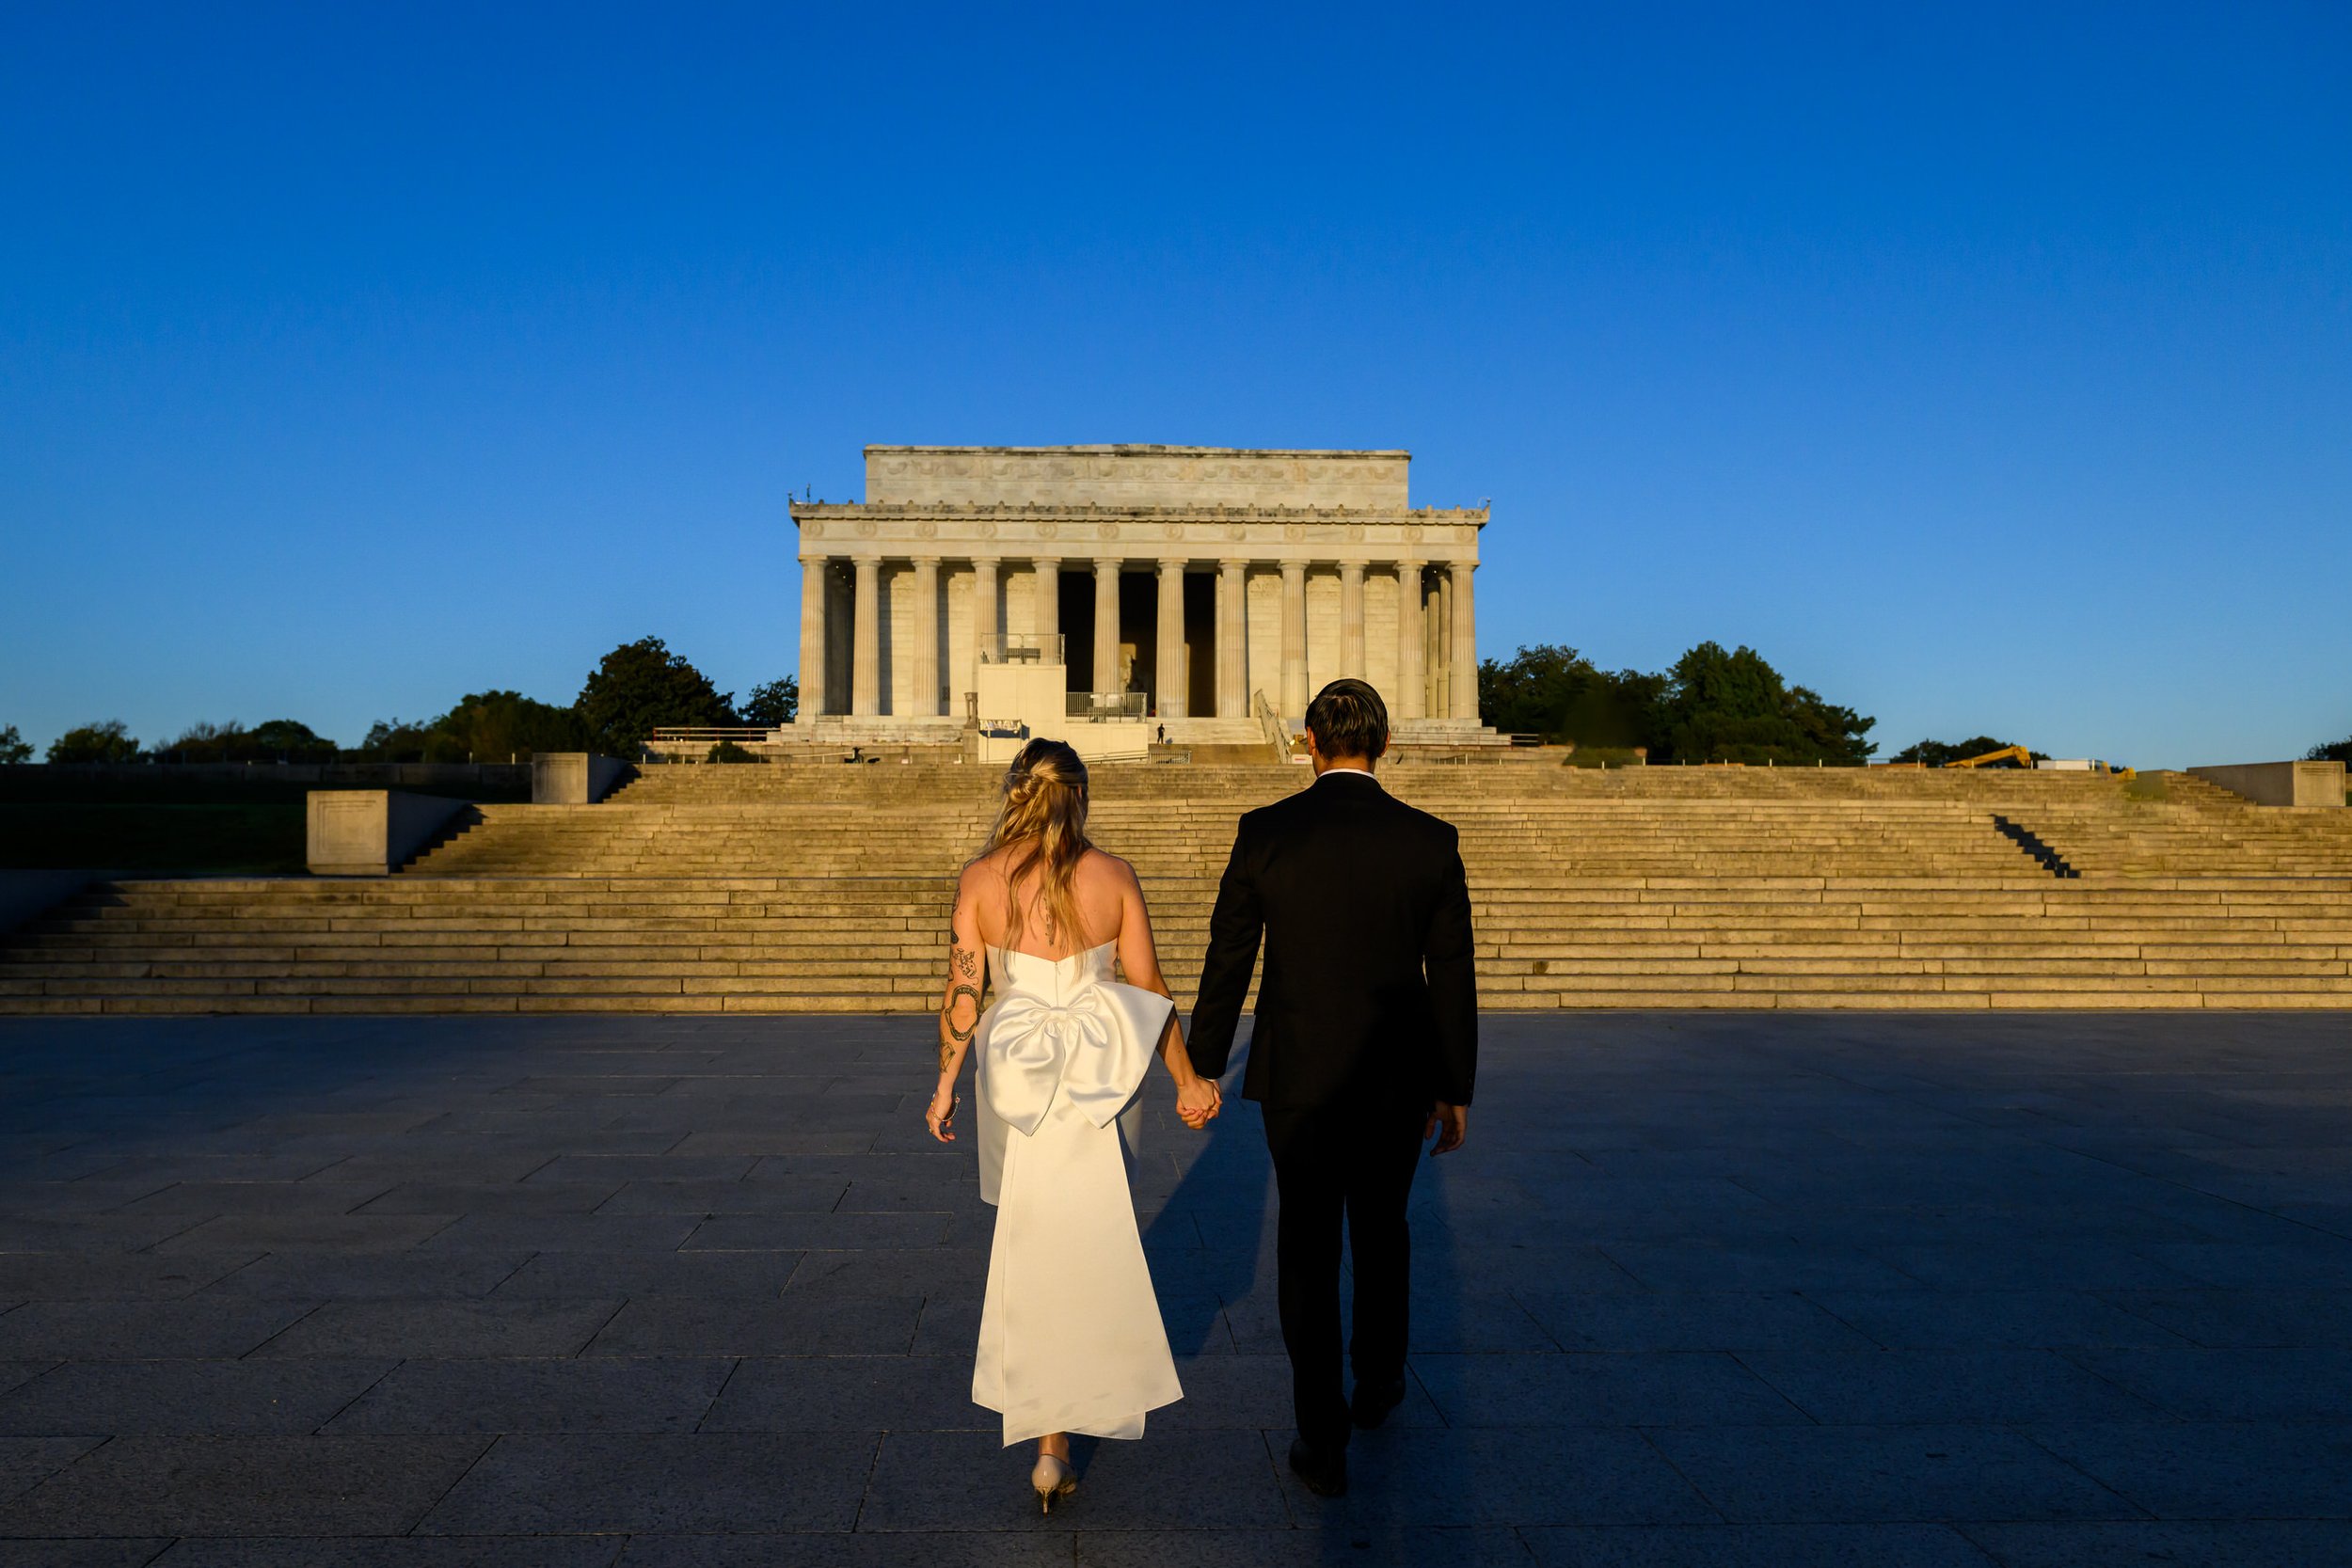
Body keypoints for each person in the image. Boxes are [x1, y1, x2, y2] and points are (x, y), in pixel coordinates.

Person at [1186, 678, 1477, 1498]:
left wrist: (1205, 1057)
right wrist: (1453, 1084)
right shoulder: (1429, 840)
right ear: (1384, 744)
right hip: (1396, 1077)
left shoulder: (1268, 832)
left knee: (1309, 1250)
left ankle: (1322, 1438)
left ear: (1308, 741)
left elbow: (1230, 954)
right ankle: (1380, 1383)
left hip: (1301, 1078)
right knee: (1383, 1231)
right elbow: (1451, 971)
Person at [926, 737, 1224, 1513]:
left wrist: (946, 1083)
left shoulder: (982, 880)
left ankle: (1046, 1433)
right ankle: (1064, 1430)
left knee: (1029, 1237)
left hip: (1017, 1080)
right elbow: (1148, 985)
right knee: (1090, 1238)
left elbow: (965, 994)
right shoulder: (1113, 875)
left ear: (1015, 790)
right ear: (1081, 796)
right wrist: (1188, 1078)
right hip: (1101, 1078)